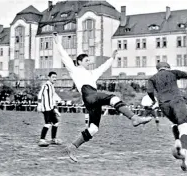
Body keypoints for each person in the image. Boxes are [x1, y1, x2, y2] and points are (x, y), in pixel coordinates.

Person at [52, 33, 152, 162]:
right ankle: (134, 118)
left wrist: (112, 58)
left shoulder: (92, 73)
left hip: (91, 100)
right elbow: (64, 56)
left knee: (93, 129)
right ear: (79, 62)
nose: (89, 62)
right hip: (89, 94)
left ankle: (72, 147)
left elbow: (103, 67)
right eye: (86, 60)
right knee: (113, 98)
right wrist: (57, 42)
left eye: (89, 60)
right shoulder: (75, 70)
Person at [147, 62, 187, 171]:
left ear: (158, 69)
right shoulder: (173, 73)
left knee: (175, 123)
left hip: (163, 104)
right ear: (168, 68)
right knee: (183, 127)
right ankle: (184, 155)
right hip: (177, 101)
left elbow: (149, 91)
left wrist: (153, 100)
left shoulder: (152, 78)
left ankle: (177, 142)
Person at [37, 71, 62, 147]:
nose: (55, 79)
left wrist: (55, 109)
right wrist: (39, 104)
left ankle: (53, 139)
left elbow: (52, 98)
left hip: (51, 108)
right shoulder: (46, 85)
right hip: (46, 108)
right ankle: (42, 140)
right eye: (53, 77)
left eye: (55, 77)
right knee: (48, 123)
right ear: (49, 77)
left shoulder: (52, 86)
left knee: (56, 123)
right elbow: (40, 95)